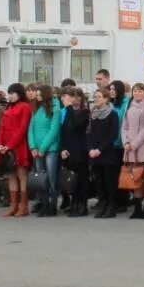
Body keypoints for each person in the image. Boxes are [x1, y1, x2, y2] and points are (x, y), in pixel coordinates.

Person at [0, 83, 34, 217]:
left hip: (19, 146)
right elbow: (2, 127)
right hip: (6, 146)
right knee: (11, 176)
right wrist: (0, 144)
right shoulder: (8, 107)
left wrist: (9, 145)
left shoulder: (25, 107)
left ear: (19, 93)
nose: (10, 96)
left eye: (12, 93)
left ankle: (23, 206)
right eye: (9, 93)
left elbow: (22, 129)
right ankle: (13, 205)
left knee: (21, 175)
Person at [121, 80, 144, 218]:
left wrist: (134, 143)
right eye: (135, 91)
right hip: (129, 147)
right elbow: (124, 125)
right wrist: (126, 141)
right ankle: (137, 208)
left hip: (142, 146)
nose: (137, 93)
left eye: (140, 91)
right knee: (134, 177)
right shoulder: (130, 104)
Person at [27, 83, 63, 217]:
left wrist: (42, 148)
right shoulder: (36, 109)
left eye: (39, 95)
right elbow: (30, 129)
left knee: (51, 178)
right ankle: (43, 204)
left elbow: (54, 131)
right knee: (40, 179)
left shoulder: (55, 109)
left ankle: (52, 206)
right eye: (36, 95)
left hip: (50, 149)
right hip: (37, 150)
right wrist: (33, 147)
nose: (37, 97)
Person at [86, 86, 122, 219]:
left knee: (109, 182)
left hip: (107, 153)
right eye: (94, 97)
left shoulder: (112, 114)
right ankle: (103, 204)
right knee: (99, 182)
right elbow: (88, 132)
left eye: (99, 97)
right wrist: (90, 149)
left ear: (106, 99)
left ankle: (111, 207)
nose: (96, 99)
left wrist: (100, 149)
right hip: (94, 153)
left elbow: (113, 134)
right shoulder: (93, 113)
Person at [59, 86, 92, 216]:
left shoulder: (84, 112)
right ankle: (74, 203)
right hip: (68, 149)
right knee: (71, 178)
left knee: (81, 178)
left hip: (80, 149)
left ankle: (83, 205)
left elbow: (75, 124)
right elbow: (63, 131)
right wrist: (62, 148)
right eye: (69, 96)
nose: (70, 99)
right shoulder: (67, 112)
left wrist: (68, 108)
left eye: (73, 96)